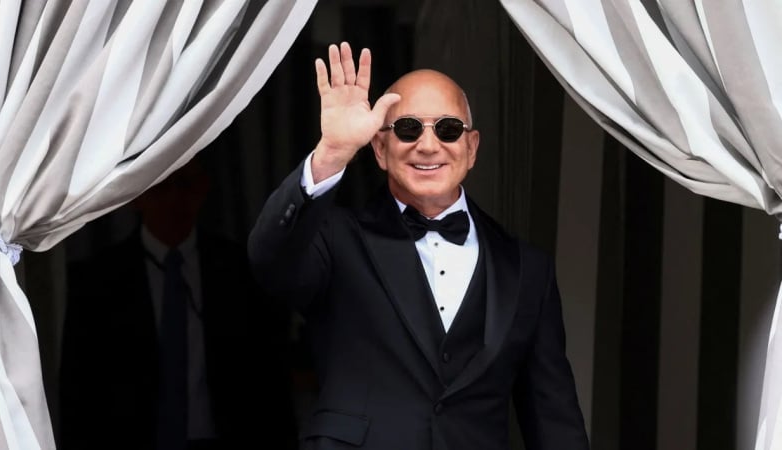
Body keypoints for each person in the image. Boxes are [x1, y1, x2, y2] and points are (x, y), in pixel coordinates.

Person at [247, 42, 590, 449]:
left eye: (448, 129)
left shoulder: (527, 269)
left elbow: (554, 420)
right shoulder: (335, 238)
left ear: (472, 148)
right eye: (408, 128)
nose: (428, 145)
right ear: (380, 148)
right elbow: (269, 260)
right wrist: (332, 154)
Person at [59, 153, 299, 450]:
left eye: (185, 185)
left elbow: (271, 380)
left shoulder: (240, 271)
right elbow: (78, 392)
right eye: (161, 186)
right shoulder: (97, 281)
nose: (174, 200)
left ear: (203, 189)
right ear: (137, 195)